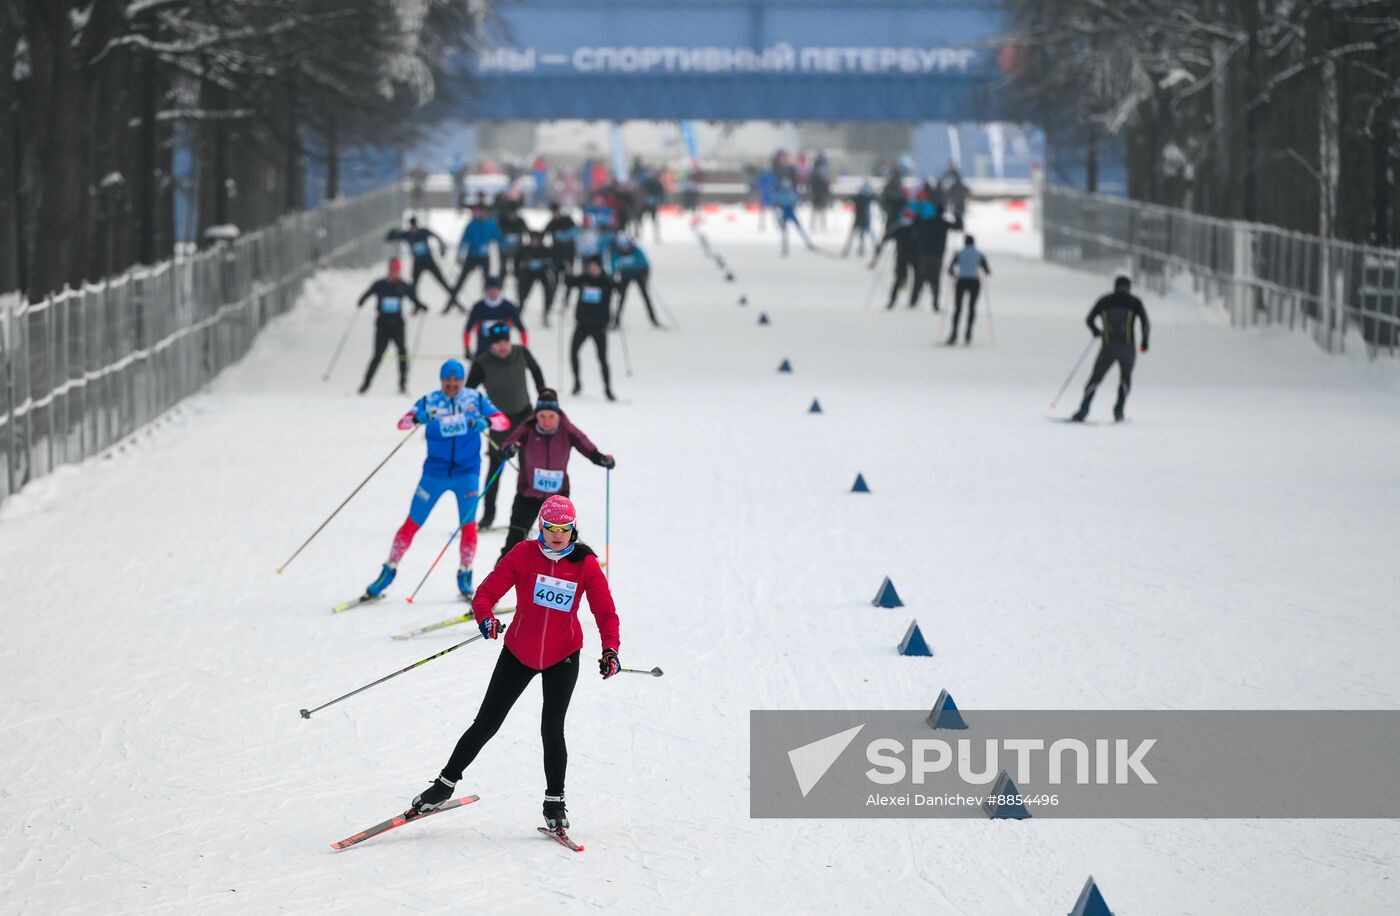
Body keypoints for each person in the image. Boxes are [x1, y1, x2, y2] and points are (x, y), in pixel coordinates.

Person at [409, 494, 622, 840]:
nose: (557, 535)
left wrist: (610, 649)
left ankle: (555, 804)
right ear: (541, 526)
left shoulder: (585, 564)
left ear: (573, 530)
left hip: (563, 655)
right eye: (551, 528)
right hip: (519, 652)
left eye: (564, 529)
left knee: (552, 728)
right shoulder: (523, 555)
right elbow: (485, 594)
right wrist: (486, 619)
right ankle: (444, 785)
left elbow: (604, 611)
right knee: (486, 723)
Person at [362, 360, 508, 601]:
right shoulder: (430, 401)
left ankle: (465, 575)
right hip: (435, 473)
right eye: (447, 380)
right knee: (412, 522)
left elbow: (502, 420)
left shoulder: (475, 399)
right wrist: (418, 417)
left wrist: (487, 422)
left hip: (467, 473)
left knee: (469, 526)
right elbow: (403, 423)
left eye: (457, 380)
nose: (452, 385)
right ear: (441, 380)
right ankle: (388, 570)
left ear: (463, 380)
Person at [496, 390, 613, 557]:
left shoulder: (566, 429)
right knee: (513, 544)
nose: (546, 421)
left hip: (557, 500)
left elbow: (584, 444)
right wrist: (509, 449)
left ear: (557, 414)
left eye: (551, 416)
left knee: (560, 546)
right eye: (542, 416)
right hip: (527, 494)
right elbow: (507, 445)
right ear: (536, 415)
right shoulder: (528, 429)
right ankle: (499, 580)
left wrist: (600, 458)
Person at [466, 323, 547, 530]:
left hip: (525, 417)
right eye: (497, 343)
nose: (502, 346)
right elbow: (469, 392)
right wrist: (473, 414)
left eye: (505, 341)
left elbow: (536, 370)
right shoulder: (482, 363)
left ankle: (526, 517)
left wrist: (543, 394)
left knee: (528, 468)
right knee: (495, 469)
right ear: (490, 345)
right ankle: (488, 516)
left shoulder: (521, 352)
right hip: (499, 422)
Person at [1071, 276, 1150, 423]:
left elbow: (1089, 319)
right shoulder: (1135, 302)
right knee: (1125, 379)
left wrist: (1096, 332)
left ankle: (1083, 410)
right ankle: (1119, 411)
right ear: (1129, 287)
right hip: (1127, 348)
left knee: (1095, 378)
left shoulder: (1104, 300)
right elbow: (1145, 323)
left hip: (1108, 347)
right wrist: (1145, 342)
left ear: (1115, 286)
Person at [356, 258, 426, 395]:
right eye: (393, 271)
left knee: (402, 352)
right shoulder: (379, 284)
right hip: (382, 324)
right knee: (378, 354)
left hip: (397, 324)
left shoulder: (404, 285)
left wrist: (421, 306)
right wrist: (362, 300)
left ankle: (402, 384)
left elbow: (414, 299)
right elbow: (368, 293)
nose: (395, 273)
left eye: (397, 271)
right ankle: (365, 384)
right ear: (389, 271)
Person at [563, 256, 617, 401]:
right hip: (582, 325)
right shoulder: (583, 279)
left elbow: (618, 288)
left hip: (599, 327)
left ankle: (608, 388)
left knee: (602, 358)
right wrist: (564, 270)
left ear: (600, 267)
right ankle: (577, 383)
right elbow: (568, 282)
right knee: (573, 353)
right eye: (590, 267)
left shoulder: (606, 281)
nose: (592, 270)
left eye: (595, 267)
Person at [908, 197, 962, 312]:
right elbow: (958, 227)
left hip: (924, 255)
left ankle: (913, 300)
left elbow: (914, 226)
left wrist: (918, 213)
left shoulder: (927, 222)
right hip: (937, 256)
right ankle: (935, 303)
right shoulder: (944, 223)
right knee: (936, 280)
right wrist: (957, 214)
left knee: (919, 278)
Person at [389, 217, 455, 309]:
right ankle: (416, 305)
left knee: (442, 282)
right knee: (414, 285)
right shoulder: (407, 234)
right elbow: (390, 238)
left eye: (415, 227)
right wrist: (393, 232)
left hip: (429, 262)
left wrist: (442, 248)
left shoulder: (423, 232)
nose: (413, 229)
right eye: (412, 227)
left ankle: (454, 300)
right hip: (418, 264)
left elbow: (437, 237)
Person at [450, 206, 503, 312]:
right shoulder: (472, 225)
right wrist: (460, 254)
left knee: (487, 281)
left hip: (484, 257)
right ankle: (451, 302)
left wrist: (504, 247)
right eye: (481, 213)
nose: (483, 215)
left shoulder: (491, 224)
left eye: (485, 213)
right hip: (472, 255)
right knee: (462, 279)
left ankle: (488, 303)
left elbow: (498, 237)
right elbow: (464, 239)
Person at [464, 276, 529, 357]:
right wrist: (467, 348)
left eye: (496, 289)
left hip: (503, 352)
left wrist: (525, 349)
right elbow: (468, 329)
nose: (494, 292)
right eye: (491, 289)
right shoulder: (478, 307)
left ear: (500, 290)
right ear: (487, 290)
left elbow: (522, 329)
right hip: (482, 352)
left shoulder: (508, 307)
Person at [945, 236, 991, 345]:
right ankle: (968, 334)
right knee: (972, 307)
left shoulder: (959, 253)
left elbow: (950, 270)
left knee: (958, 308)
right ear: (974, 243)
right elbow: (987, 270)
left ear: (964, 243)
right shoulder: (979, 254)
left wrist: (953, 274)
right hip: (974, 282)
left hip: (961, 281)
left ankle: (954, 334)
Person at [610, 235, 659, 328]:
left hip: (638, 275)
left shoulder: (636, 251)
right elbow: (613, 266)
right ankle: (616, 321)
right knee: (622, 298)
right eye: (622, 245)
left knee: (645, 297)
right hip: (625, 276)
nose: (624, 248)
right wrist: (613, 279)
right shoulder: (616, 253)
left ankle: (653, 319)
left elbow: (645, 264)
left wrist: (646, 275)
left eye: (626, 245)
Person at [871, 207, 915, 310]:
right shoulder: (899, 227)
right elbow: (888, 236)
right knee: (899, 278)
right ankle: (893, 300)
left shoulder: (913, 227)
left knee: (916, 278)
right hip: (902, 256)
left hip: (912, 256)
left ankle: (912, 300)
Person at [514, 231, 558, 326]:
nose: (535, 242)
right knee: (523, 292)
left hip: (542, 272)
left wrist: (548, 265)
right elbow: (516, 261)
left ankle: (546, 312)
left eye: (538, 240)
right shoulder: (524, 249)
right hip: (528, 273)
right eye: (534, 240)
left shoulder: (546, 250)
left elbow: (554, 262)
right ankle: (518, 311)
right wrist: (518, 273)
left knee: (549, 290)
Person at [773, 179, 814, 257]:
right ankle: (785, 248)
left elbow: (796, 200)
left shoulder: (788, 194)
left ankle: (807, 243)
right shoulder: (784, 194)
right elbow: (779, 203)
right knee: (786, 231)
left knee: (797, 229)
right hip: (787, 214)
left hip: (789, 213)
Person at [842, 182, 878, 258]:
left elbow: (850, 198)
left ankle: (855, 249)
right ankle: (852, 249)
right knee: (858, 234)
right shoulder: (865, 198)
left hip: (862, 219)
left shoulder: (861, 197)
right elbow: (873, 196)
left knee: (861, 234)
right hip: (862, 219)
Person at [544, 202, 578, 274]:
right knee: (556, 269)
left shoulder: (568, 220)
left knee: (569, 271)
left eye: (556, 211)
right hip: (557, 251)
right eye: (553, 212)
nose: (555, 214)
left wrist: (566, 235)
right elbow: (544, 233)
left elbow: (576, 231)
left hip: (569, 249)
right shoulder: (552, 223)